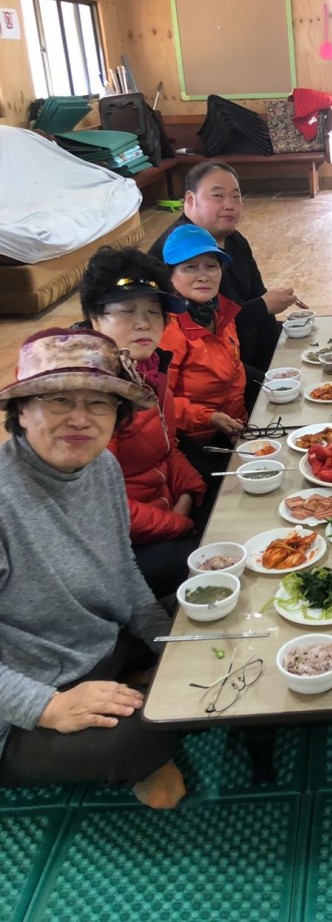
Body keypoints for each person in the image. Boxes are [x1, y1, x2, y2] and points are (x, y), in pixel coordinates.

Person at [0, 328, 185, 807]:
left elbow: (123, 570)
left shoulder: (102, 467)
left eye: (99, 403)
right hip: (27, 693)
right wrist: (49, 706)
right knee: (137, 740)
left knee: (214, 613)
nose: (80, 418)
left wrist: (165, 638)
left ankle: (137, 683)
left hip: (98, 643)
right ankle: (137, 716)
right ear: (21, 411)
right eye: (59, 399)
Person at [79, 247, 207, 598]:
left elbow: (167, 448)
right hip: (118, 547)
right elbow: (104, 510)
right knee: (219, 554)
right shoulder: (87, 395)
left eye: (153, 312)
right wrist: (178, 523)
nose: (143, 323)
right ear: (94, 318)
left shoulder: (149, 370)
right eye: (126, 310)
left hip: (164, 510)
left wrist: (188, 492)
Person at [149, 162, 306, 375]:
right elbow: (204, 332)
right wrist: (265, 381)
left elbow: (260, 301)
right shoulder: (173, 252)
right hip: (210, 369)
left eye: (235, 196)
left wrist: (276, 367)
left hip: (244, 354)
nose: (229, 205)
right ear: (190, 200)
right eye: (218, 196)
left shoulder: (234, 239)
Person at [159, 224, 250, 478]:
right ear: (170, 276)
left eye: (211, 266)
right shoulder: (167, 329)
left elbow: (235, 371)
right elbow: (158, 401)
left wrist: (240, 423)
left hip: (230, 430)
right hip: (191, 444)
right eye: (190, 267)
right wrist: (209, 418)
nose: (203, 276)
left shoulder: (221, 312)